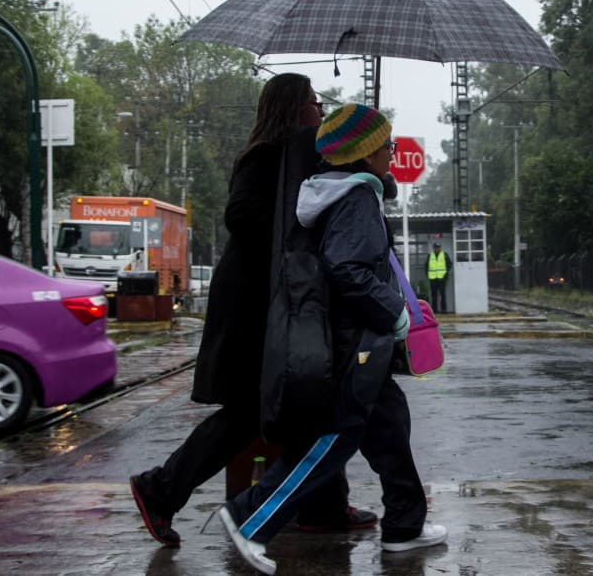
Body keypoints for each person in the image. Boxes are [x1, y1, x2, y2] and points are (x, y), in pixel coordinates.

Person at [128, 75, 376, 549]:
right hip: (252, 308)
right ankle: (160, 488)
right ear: (292, 107)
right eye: (312, 102)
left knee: (302, 402)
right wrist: (302, 224)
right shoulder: (267, 156)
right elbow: (241, 214)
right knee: (250, 411)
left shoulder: (295, 155)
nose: (320, 110)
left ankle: (321, 506)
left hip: (273, 304)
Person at [218, 104, 447, 575]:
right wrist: (394, 314)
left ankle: (405, 525)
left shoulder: (342, 193)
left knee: (389, 428)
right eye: (388, 144)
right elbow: (347, 268)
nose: (393, 151)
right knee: (334, 438)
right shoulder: (356, 200)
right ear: (366, 153)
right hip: (358, 343)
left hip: (364, 341)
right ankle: (248, 518)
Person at [427, 241, 452, 313]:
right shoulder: (430, 255)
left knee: (442, 295)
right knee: (434, 295)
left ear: (440, 248)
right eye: (436, 248)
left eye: (438, 247)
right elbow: (426, 267)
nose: (437, 249)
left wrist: (445, 274)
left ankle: (444, 310)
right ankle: (434, 311)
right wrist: (428, 275)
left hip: (442, 279)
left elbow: (449, 265)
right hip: (433, 279)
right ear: (433, 248)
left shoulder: (444, 255)